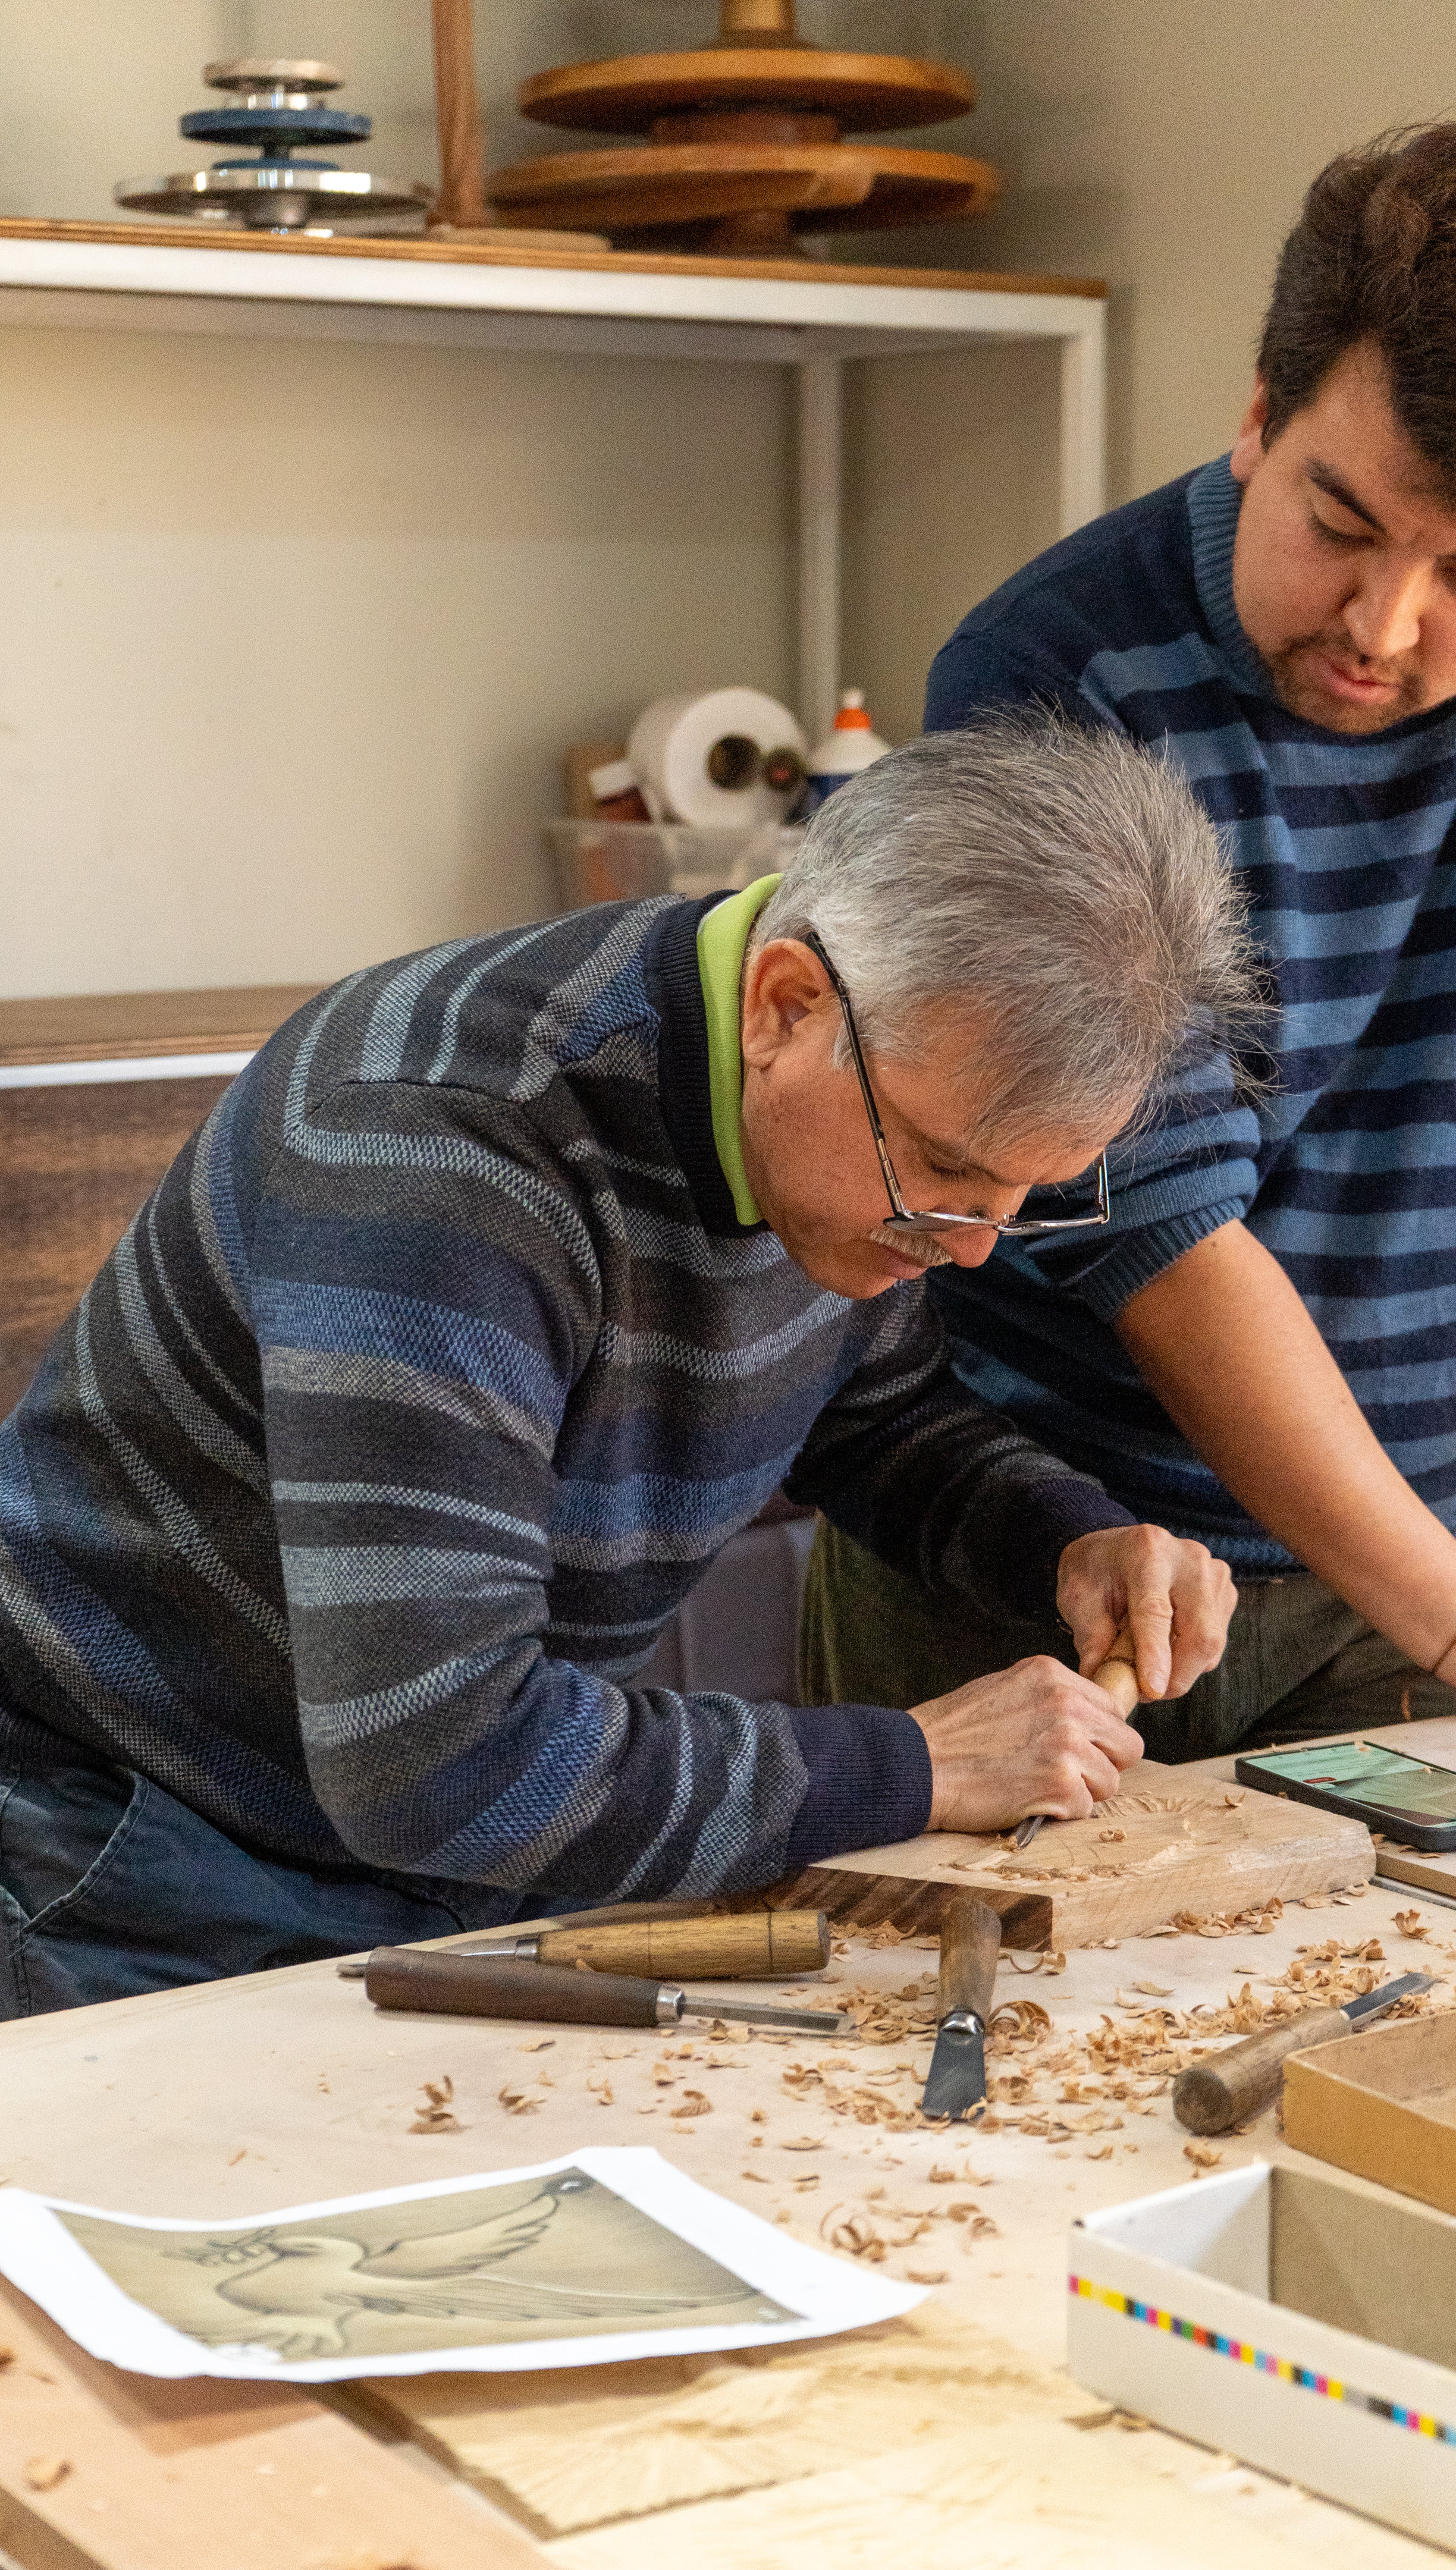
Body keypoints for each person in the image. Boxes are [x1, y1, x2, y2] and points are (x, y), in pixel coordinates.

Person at [0, 717, 1249, 2017]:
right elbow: (440, 1761)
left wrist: (1067, 1544)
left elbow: (877, 1418)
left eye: (1028, 1194)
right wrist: (918, 1763)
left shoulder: (844, 1129)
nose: (975, 1247)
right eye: (942, 1171)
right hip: (133, 1849)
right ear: (784, 1006)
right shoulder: (447, 1150)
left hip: (436, 1847)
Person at [802, 123, 1456, 1757]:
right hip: (1048, 1556)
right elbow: (1156, 1234)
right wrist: (1446, 1610)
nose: (1386, 629)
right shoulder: (1057, 675)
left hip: (1409, 1566)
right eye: (1341, 521)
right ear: (1256, 413)